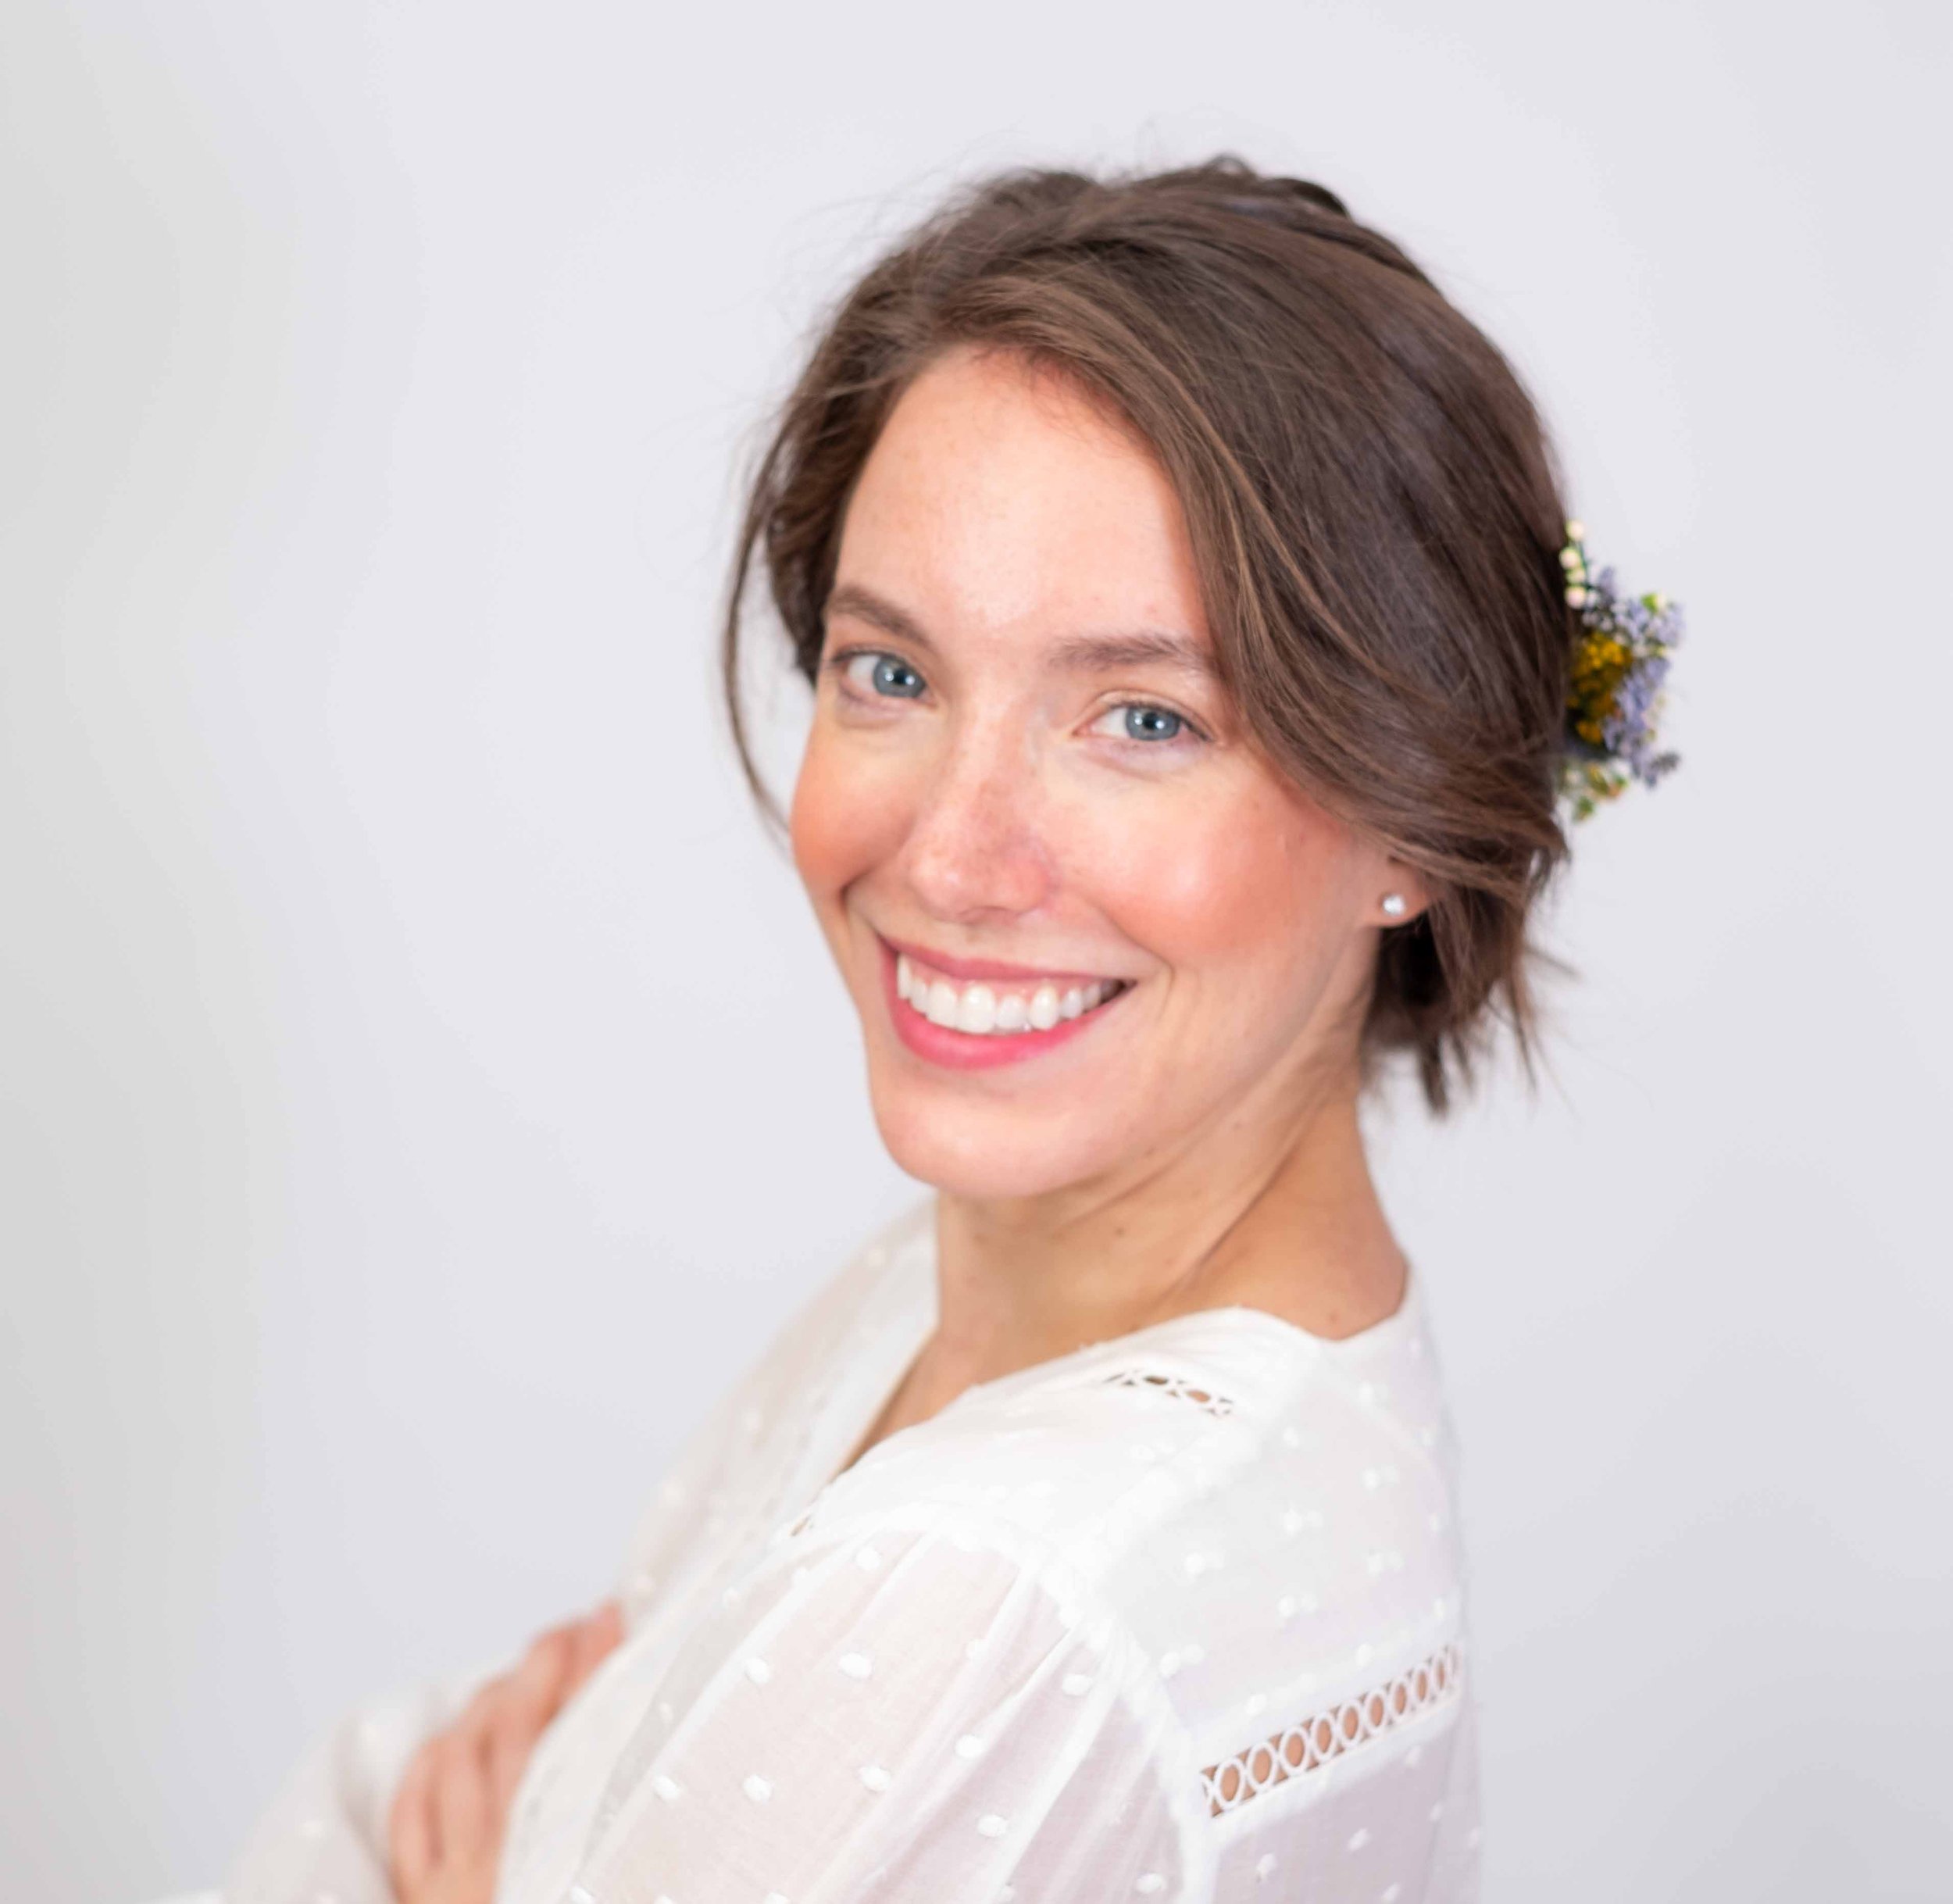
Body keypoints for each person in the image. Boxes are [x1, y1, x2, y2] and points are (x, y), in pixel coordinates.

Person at [223, 156, 1680, 1904]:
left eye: (1140, 716)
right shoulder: (1036, 1313)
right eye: (891, 675)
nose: (952, 854)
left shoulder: (991, 1594)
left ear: (1408, 815)